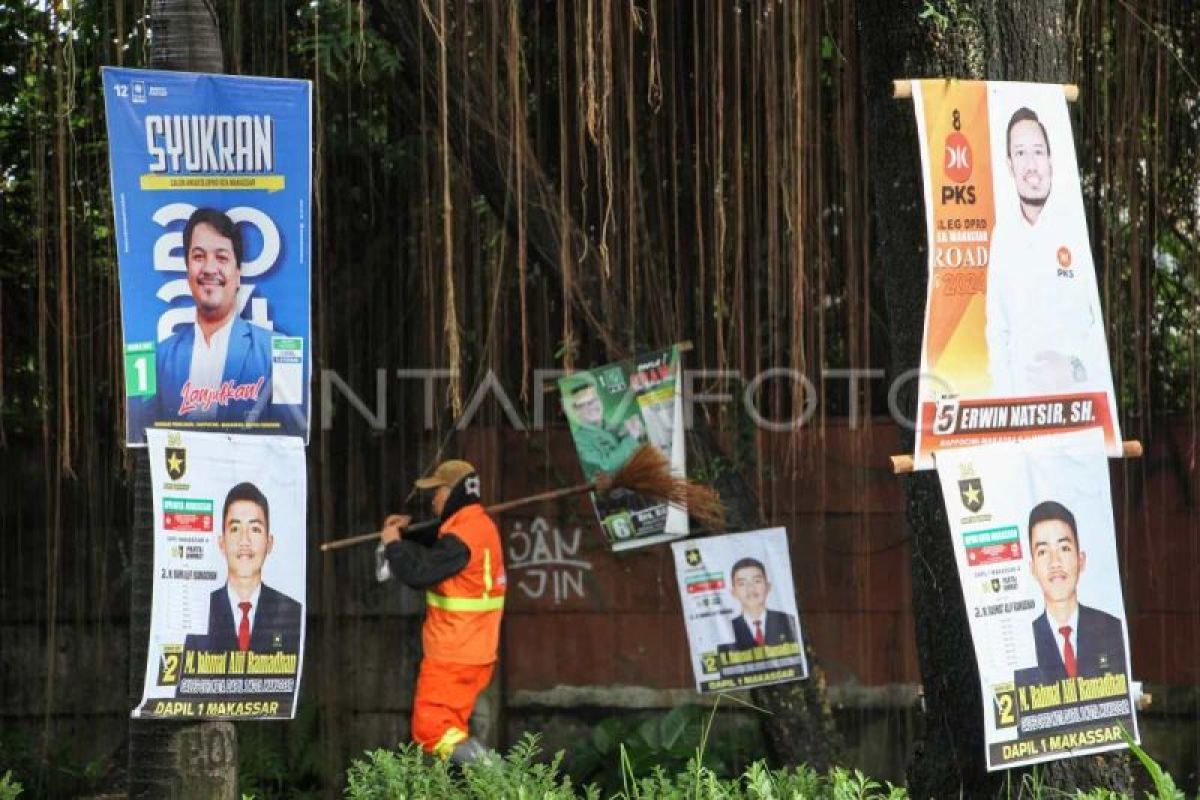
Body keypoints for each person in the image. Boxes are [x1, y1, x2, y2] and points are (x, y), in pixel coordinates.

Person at [380, 459, 506, 764]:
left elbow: (417, 573)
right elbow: (439, 539)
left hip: (453, 654)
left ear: (454, 492)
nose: (433, 498)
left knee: (432, 731)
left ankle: (507, 782)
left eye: (438, 491)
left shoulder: (461, 538)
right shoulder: (478, 526)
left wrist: (393, 546)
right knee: (449, 731)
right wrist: (407, 532)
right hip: (473, 651)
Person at [985, 107, 1110, 397]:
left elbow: (1098, 330)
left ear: (1051, 161)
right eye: (1020, 153)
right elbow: (997, 330)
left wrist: (1073, 368)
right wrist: (1007, 404)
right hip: (1023, 419)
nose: (1031, 165)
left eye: (1038, 152)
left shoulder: (1076, 229)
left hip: (1077, 411)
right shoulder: (1002, 237)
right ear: (1009, 165)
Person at [150, 207, 276, 427]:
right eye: (198, 256)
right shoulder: (157, 358)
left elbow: (290, 440)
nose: (209, 268)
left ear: (238, 274)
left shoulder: (275, 353)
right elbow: (144, 437)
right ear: (187, 270)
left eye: (221, 257)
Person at [187, 481, 302, 654]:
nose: (244, 541)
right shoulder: (200, 608)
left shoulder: (291, 612)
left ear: (269, 543)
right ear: (222, 543)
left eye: (255, 529)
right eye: (235, 529)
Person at [1019, 500, 1127, 684]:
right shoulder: (1024, 638)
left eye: (1064, 548)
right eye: (1043, 551)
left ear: (1081, 559)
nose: (1055, 562)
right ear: (1032, 568)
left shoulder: (1111, 629)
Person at [564, 382, 645, 480]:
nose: (591, 407)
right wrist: (631, 438)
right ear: (576, 411)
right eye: (582, 405)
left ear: (600, 401)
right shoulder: (579, 440)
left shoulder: (613, 427)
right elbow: (604, 466)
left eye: (593, 400)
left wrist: (639, 432)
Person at [725, 557, 798, 649]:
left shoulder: (789, 621)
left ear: (768, 586)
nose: (750, 589)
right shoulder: (727, 630)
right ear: (733, 592)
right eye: (742, 583)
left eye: (757, 581)